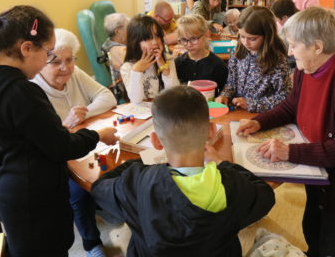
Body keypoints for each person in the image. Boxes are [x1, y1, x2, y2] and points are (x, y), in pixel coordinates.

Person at [0, 5, 118, 257]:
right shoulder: (23, 92)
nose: (50, 61)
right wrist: (99, 135)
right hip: (34, 197)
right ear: (26, 48)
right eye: (48, 53)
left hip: (6, 186)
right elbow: (62, 146)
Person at [237, 7, 335, 257]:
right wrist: (260, 122)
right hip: (316, 174)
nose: (289, 51)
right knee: (312, 228)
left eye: (294, 45)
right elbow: (292, 105)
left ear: (317, 46)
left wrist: (289, 151)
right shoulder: (308, 66)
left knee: (333, 243)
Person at [91, 85, 275, 256]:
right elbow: (265, 194)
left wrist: (137, 164)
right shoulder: (232, 184)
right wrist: (221, 162)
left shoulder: (135, 182)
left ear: (155, 141)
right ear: (211, 132)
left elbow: (98, 189)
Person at [31, 28, 118, 256]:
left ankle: (105, 203)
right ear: (42, 62)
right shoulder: (33, 90)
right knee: (78, 191)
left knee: (117, 164)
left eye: (70, 60)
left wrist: (84, 113)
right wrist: (66, 123)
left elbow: (108, 97)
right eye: (56, 62)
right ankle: (92, 243)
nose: (65, 67)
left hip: (85, 142)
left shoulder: (75, 73)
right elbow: (43, 140)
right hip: (57, 154)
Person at [216, 6, 291, 113]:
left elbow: (284, 97)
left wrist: (252, 104)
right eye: (242, 36)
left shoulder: (277, 61)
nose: (246, 43)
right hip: (237, 113)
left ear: (267, 35)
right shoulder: (237, 53)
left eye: (252, 39)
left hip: (262, 116)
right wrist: (225, 95)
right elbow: (231, 83)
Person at [120, 15, 179, 104]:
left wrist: (164, 67)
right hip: (142, 114)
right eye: (148, 38)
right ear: (135, 42)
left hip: (164, 110)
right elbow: (136, 100)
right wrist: (137, 71)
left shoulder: (167, 60)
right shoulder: (128, 67)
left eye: (157, 36)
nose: (155, 42)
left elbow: (175, 93)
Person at [175, 14, 228, 94]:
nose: (189, 44)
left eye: (194, 39)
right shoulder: (178, 63)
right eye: (184, 40)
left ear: (205, 35)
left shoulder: (218, 65)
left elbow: (224, 90)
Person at [102, 13, 130, 78]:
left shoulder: (108, 42)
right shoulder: (120, 50)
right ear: (117, 31)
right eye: (128, 28)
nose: (130, 31)